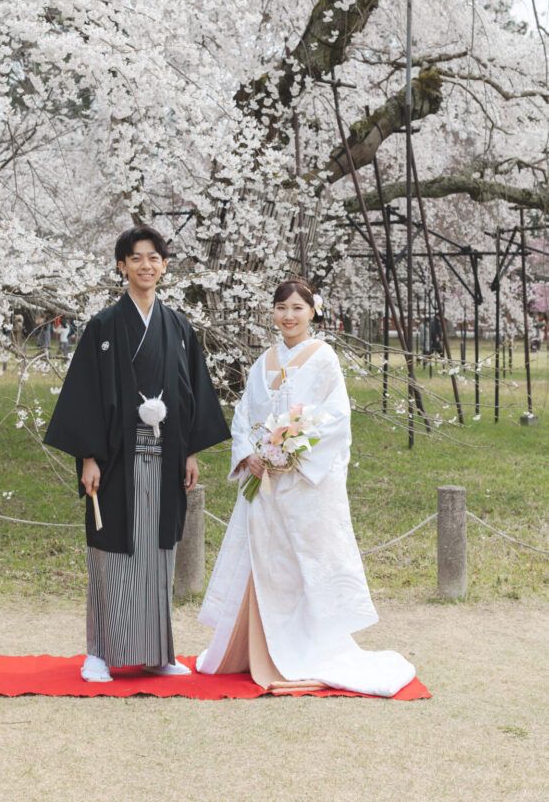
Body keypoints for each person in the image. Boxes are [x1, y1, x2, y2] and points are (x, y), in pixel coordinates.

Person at [197, 277, 415, 697]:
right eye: (281, 308)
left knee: (302, 564)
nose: (289, 316)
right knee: (264, 560)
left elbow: (335, 419)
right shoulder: (264, 360)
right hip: (264, 482)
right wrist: (252, 454)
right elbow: (245, 414)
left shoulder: (324, 357)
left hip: (302, 484)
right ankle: (255, 646)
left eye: (297, 308)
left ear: (312, 311)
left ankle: (302, 648)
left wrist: (291, 452)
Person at [44, 225, 230, 682]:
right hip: (114, 459)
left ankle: (156, 652)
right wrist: (88, 456)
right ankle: (99, 653)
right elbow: (85, 394)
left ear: (165, 266)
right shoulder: (104, 327)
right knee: (110, 552)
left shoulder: (179, 327)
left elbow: (190, 394)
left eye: (154, 258)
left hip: (166, 456)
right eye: (136, 258)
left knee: (157, 552)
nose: (146, 265)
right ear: (121, 266)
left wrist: (189, 452)